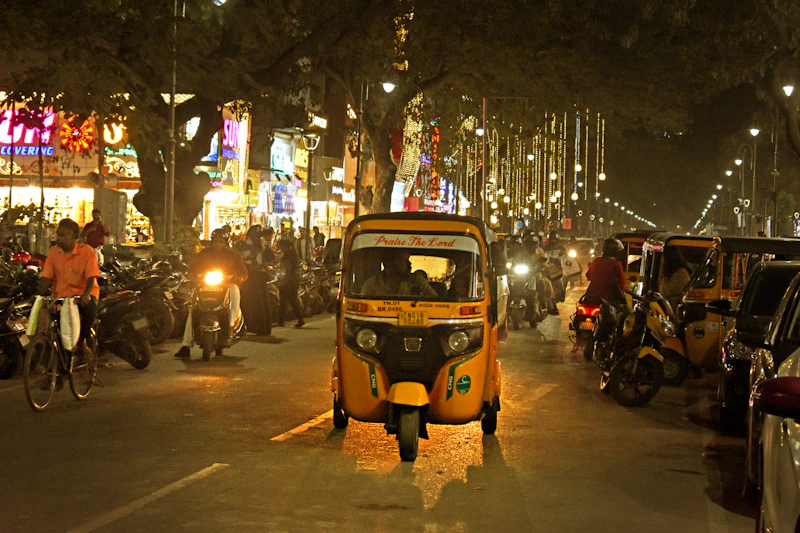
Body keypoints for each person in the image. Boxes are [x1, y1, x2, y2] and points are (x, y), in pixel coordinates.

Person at [38, 219, 101, 388]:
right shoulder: (53, 252)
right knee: (55, 332)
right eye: (58, 234)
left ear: (74, 236)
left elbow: (91, 277)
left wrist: (86, 295)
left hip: (82, 296)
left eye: (63, 235)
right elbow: (46, 277)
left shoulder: (86, 251)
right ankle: (55, 375)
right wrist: (38, 295)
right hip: (61, 298)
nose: (59, 238)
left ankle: (81, 345)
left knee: (88, 312)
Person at [175, 228, 248, 358]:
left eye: (221, 241)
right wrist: (192, 276)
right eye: (216, 241)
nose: (218, 244)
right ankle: (186, 345)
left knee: (233, 302)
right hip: (205, 285)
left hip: (227, 285)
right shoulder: (203, 254)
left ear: (226, 242)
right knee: (193, 310)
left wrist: (238, 278)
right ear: (212, 242)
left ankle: (230, 330)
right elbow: (193, 268)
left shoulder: (233, 255)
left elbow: (243, 272)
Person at [362, 249, 437, 297]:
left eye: (407, 259)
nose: (409, 263)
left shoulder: (417, 281)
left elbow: (435, 301)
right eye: (402, 260)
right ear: (388, 263)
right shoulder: (372, 284)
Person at [584, 238, 626, 306]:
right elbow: (621, 283)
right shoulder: (616, 264)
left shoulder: (596, 261)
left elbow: (588, 275)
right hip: (609, 298)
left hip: (591, 295)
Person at [277, 239, 305, 328]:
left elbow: (287, 271)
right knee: (291, 301)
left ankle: (282, 321)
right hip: (293, 281)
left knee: (285, 301)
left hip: (288, 282)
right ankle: (298, 319)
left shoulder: (287, 257)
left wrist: (282, 282)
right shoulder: (293, 255)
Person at [658, 246, 693, 313]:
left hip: (675, 309)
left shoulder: (681, 273)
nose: (662, 260)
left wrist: (663, 276)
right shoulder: (670, 273)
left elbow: (669, 290)